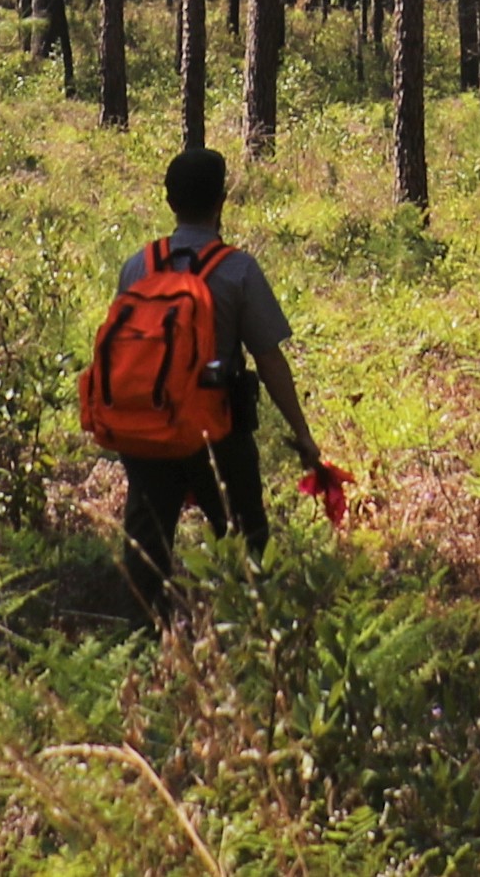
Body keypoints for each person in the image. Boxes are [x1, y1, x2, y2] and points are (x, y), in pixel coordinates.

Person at [100, 144, 332, 616]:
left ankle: (143, 641)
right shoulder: (236, 270)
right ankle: (253, 625)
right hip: (216, 431)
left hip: (145, 428)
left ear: (169, 201)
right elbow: (269, 360)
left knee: (146, 542)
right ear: (221, 200)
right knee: (248, 536)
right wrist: (302, 434)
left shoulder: (137, 265)